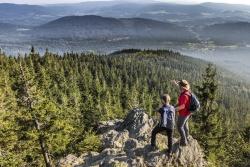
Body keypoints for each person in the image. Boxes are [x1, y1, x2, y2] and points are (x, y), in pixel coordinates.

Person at [172, 79, 191, 146]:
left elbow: (182, 106)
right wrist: (175, 84)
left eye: (179, 86)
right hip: (188, 112)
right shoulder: (186, 91)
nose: (179, 87)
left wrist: (174, 110)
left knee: (179, 126)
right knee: (185, 124)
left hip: (184, 113)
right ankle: (187, 136)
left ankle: (184, 142)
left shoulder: (184, 96)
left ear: (182, 87)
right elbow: (180, 88)